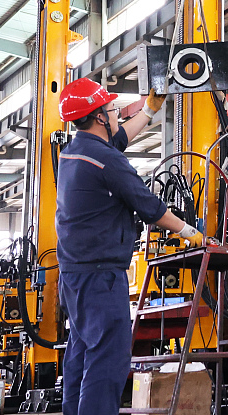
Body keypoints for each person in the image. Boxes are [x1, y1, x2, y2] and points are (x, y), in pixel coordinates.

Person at [55, 78, 204, 415]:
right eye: (112, 109)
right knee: (108, 359)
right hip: (101, 278)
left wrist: (149, 110)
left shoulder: (75, 152)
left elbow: (118, 139)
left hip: (74, 276)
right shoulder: (106, 161)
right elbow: (149, 205)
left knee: (81, 353)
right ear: (98, 117)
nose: (117, 113)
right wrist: (190, 232)